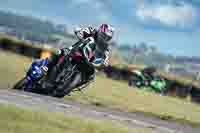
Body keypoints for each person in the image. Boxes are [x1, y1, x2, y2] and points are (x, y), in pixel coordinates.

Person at [31, 24, 115, 88]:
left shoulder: (105, 47)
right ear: (100, 31)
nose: (104, 39)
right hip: (75, 51)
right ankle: (45, 67)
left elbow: (106, 58)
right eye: (104, 35)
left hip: (87, 61)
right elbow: (81, 31)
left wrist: (104, 63)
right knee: (60, 52)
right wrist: (80, 33)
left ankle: (70, 86)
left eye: (107, 38)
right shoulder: (91, 31)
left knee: (91, 76)